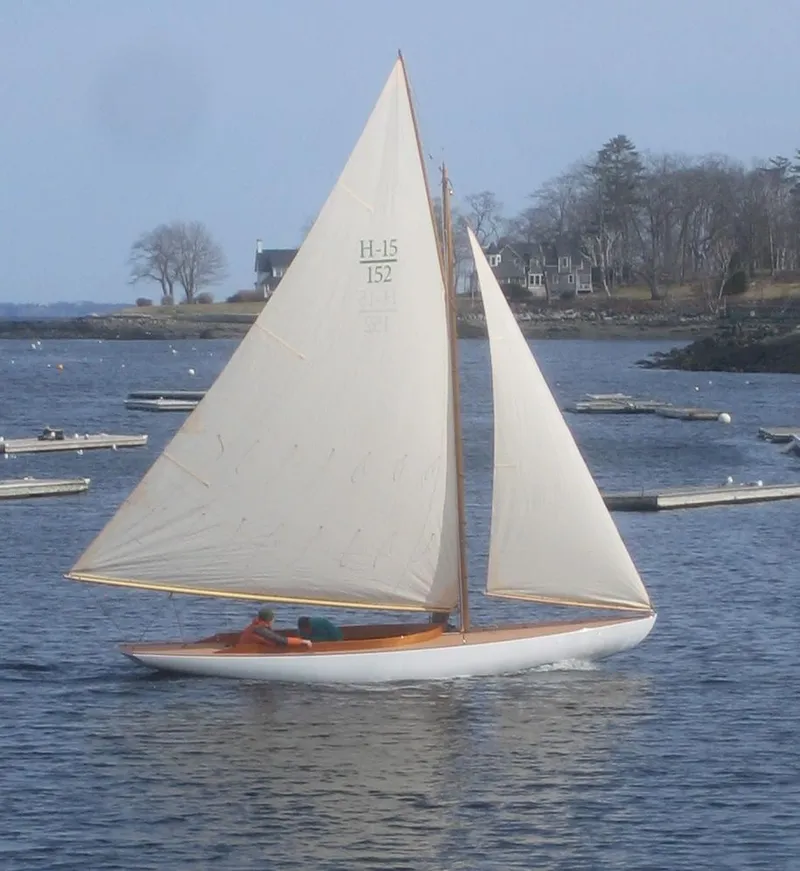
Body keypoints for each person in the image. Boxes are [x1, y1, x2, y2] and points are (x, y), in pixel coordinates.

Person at [238, 607, 312, 650]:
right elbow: (281, 640)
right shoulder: (259, 629)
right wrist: (302, 641)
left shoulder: (256, 625)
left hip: (248, 648)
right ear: (270, 620)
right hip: (246, 651)